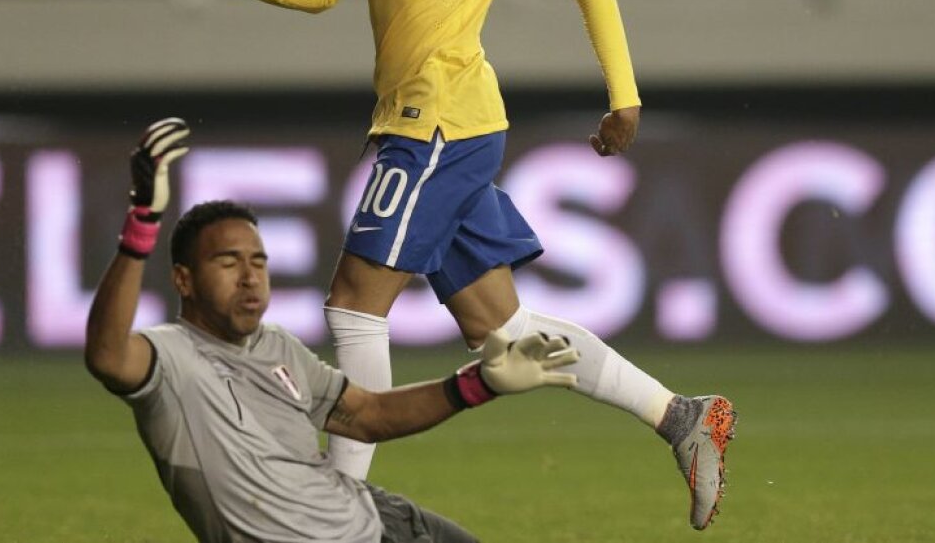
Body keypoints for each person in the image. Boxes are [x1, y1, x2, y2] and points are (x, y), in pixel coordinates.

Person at [198, 0, 736, 531]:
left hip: (442, 119)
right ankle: (683, 417)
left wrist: (623, 95)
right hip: (418, 119)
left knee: (352, 302)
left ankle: (330, 511)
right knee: (503, 330)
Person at [85, 117, 582, 543]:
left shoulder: (277, 346)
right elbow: (107, 355)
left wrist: (479, 383)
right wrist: (142, 225)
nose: (250, 275)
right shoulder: (168, 358)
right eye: (228, 261)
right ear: (183, 279)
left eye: (259, 260)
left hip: (383, 521)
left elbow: (366, 414)